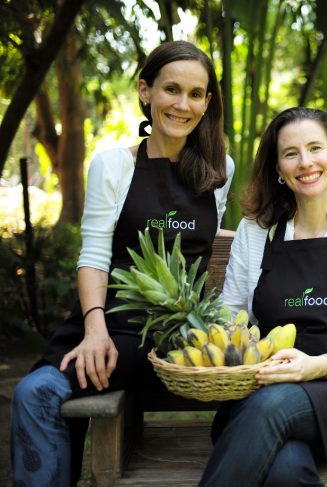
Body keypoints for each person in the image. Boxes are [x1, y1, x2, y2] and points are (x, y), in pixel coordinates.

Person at [11, 40, 235, 486]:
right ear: (145, 92)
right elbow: (93, 253)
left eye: (195, 94)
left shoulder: (218, 169)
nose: (182, 104)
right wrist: (95, 331)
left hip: (173, 336)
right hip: (107, 323)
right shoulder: (113, 165)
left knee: (38, 392)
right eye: (171, 89)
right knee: (34, 393)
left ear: (207, 103)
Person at [199, 107, 327, 486]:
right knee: (286, 467)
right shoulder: (256, 233)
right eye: (291, 153)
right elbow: (231, 314)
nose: (305, 162)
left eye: (315, 148)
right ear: (278, 167)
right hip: (265, 381)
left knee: (271, 407)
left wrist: (314, 366)